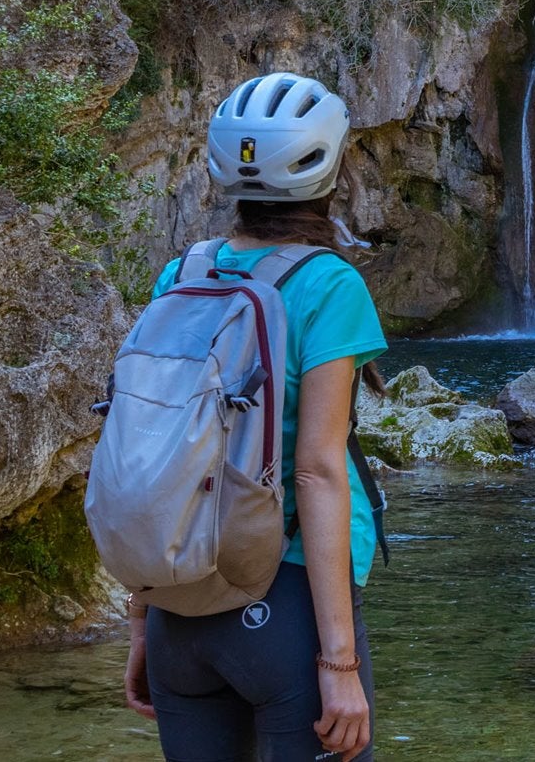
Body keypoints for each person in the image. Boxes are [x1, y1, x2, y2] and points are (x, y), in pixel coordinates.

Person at [122, 72, 387, 762]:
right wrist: (339, 665)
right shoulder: (330, 285)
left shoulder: (183, 273)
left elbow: (153, 461)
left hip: (180, 612)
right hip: (286, 607)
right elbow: (320, 472)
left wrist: (141, 624)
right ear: (328, 166)